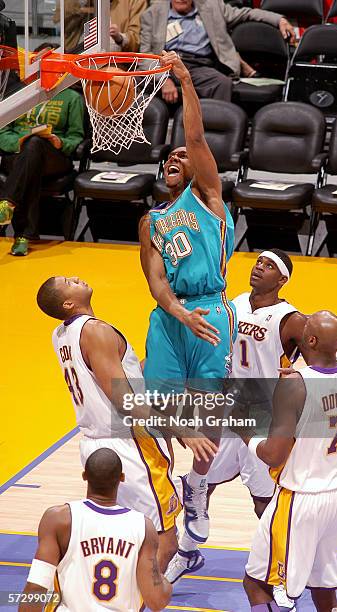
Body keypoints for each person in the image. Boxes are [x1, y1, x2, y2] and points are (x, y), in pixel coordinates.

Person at [36, 275, 217, 571]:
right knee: (163, 542)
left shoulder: (61, 335)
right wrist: (182, 429)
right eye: (68, 281)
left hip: (95, 444)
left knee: (118, 538)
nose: (77, 277)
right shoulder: (95, 331)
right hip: (130, 445)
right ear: (68, 303)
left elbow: (117, 376)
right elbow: (126, 402)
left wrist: (163, 360)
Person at [167, 249, 306, 611]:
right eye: (258, 262)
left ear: (283, 279)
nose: (260, 267)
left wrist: (300, 380)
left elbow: (318, 352)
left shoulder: (289, 318)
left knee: (265, 503)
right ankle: (187, 552)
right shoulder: (231, 305)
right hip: (226, 410)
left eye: (269, 265)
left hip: (263, 417)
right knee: (202, 483)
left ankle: (278, 571)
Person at [139, 49, 237, 557]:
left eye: (185, 157)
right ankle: (161, 495)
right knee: (157, 410)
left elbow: (196, 137)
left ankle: (197, 490)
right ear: (162, 171)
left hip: (212, 310)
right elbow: (155, 280)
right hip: (172, 314)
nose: (180, 157)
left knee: (208, 418)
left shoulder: (211, 198)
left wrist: (184, 81)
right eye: (171, 157)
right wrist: (175, 311)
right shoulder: (152, 221)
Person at [242, 311, 337, 612]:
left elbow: (273, 454)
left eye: (304, 328)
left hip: (301, 498)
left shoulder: (295, 385)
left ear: (310, 340)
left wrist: (246, 434)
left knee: (257, 583)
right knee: (324, 591)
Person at [19, 448, 172, 611]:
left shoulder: (58, 519)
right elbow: (156, 601)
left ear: (85, 476)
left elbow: (36, 588)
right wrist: (166, 585)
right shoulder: (144, 527)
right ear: (122, 478)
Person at [140, 0, 295, 103]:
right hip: (167, 65)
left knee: (223, 84)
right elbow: (145, 56)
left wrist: (279, 20)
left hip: (199, 67)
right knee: (135, 82)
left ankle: (213, 133)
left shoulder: (212, 7)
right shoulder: (152, 14)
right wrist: (163, 79)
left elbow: (247, 13)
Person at [0, 85, 84, 255]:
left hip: (54, 157)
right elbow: (2, 132)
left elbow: (76, 136)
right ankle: (24, 236)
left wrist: (60, 142)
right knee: (31, 153)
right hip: (19, 153)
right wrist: (18, 143)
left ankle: (7, 203)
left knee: (35, 144)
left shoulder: (72, 97)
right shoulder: (19, 95)